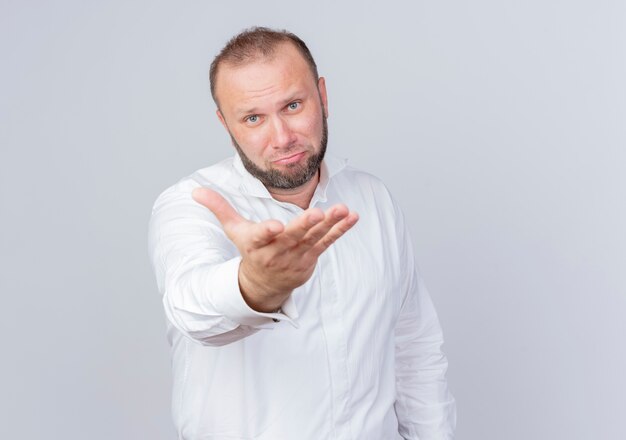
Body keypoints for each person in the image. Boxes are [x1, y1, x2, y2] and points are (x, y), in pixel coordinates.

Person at [148, 27, 456, 440]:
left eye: (293, 105)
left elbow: (414, 349)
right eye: (253, 117)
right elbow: (190, 310)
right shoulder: (192, 203)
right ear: (226, 123)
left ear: (323, 97)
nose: (282, 137)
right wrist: (256, 286)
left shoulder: (373, 199)